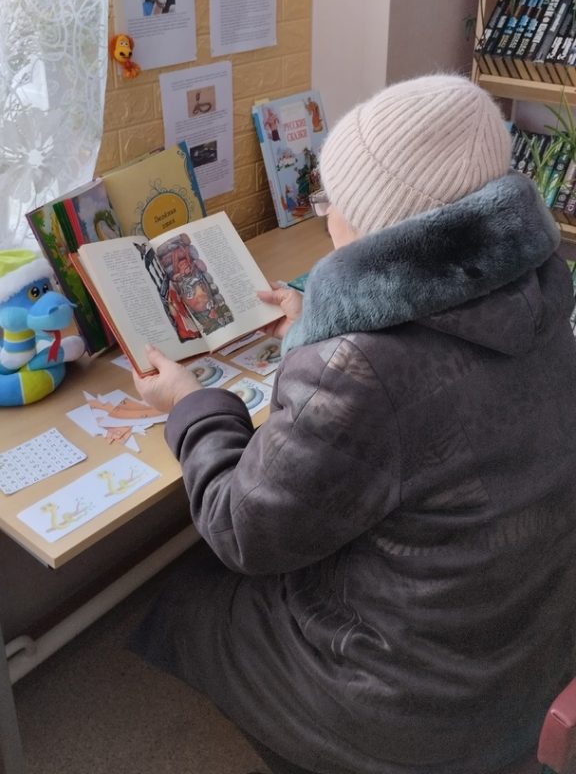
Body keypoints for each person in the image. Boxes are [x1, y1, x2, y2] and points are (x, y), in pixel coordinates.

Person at [130, 74, 576, 774]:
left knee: (188, 602)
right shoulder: (541, 286)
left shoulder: (356, 369)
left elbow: (241, 529)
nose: (325, 217)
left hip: (409, 703)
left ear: (379, 223)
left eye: (330, 201)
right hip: (527, 648)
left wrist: (191, 403)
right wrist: (319, 326)